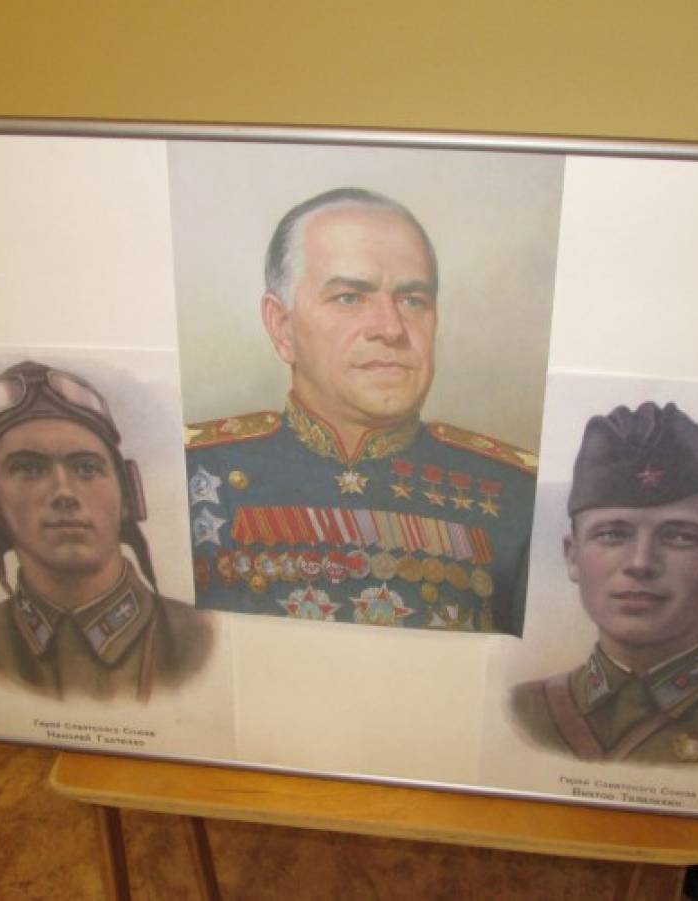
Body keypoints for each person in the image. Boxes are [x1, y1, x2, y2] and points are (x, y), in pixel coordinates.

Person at [185, 187, 537, 634]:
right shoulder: (197, 472)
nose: (391, 328)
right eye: (350, 297)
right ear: (282, 327)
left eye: (413, 300)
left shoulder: (518, 494)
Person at [510, 402, 698, 765]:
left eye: (680, 537)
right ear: (572, 557)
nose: (640, 563)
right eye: (612, 534)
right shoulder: (524, 712)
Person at [0, 360, 212, 701]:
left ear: (127, 493)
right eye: (28, 468)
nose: (64, 492)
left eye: (87, 468)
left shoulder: (200, 638)